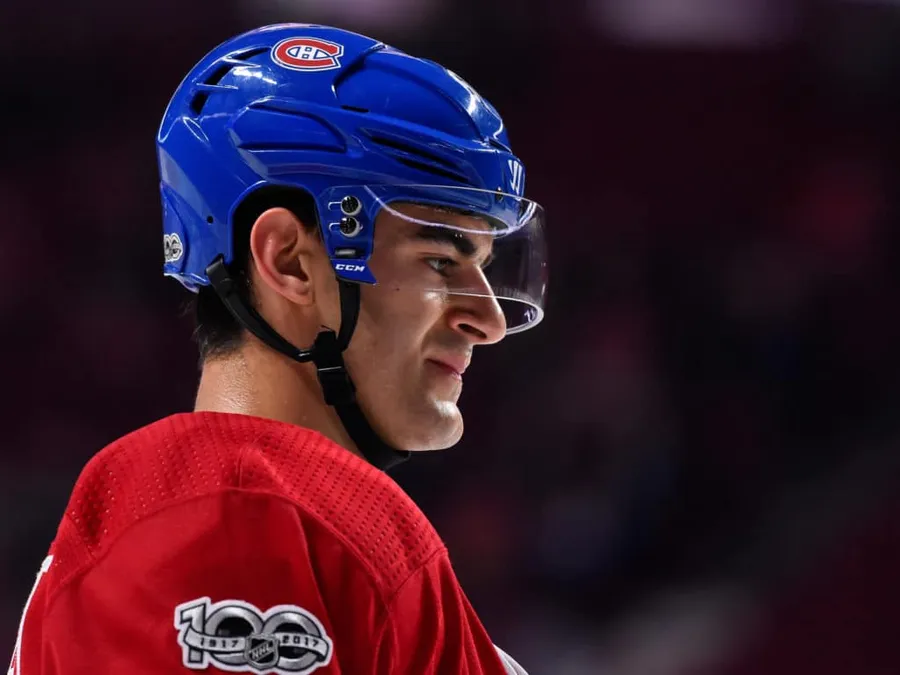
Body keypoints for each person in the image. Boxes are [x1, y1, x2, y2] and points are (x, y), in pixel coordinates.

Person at [9, 23, 546, 675]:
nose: (489, 319)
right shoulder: (245, 511)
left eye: (485, 267)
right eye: (439, 260)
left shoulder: (286, 521)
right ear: (288, 261)